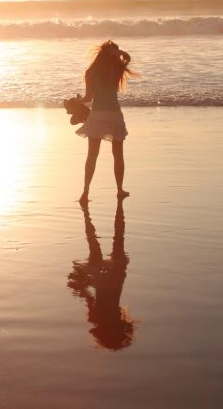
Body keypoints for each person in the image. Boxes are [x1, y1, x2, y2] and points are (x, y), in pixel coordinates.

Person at [67, 197, 135, 350]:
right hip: (101, 282)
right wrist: (80, 286)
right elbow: (88, 297)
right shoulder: (96, 318)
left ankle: (117, 209)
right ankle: (87, 216)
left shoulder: (118, 320)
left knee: (119, 239)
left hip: (116, 281)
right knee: (93, 242)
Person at [75, 40, 134, 203]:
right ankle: (120, 190)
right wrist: (119, 53)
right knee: (118, 155)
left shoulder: (91, 72)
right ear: (112, 55)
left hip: (97, 116)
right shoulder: (116, 69)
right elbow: (128, 57)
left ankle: (85, 192)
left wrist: (79, 101)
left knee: (92, 156)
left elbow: (88, 98)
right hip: (114, 115)